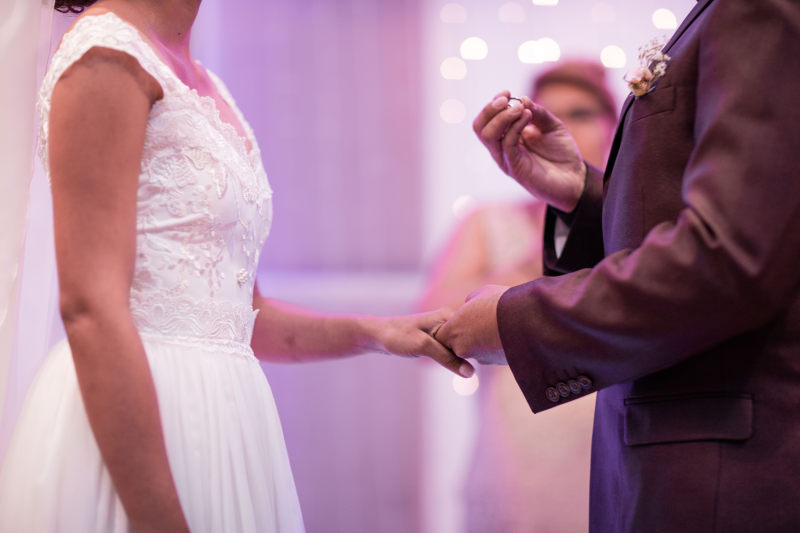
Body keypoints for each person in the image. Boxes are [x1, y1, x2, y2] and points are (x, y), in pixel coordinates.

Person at [0, 1, 472, 531]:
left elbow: (241, 317)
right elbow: (90, 306)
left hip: (229, 418)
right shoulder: (106, 57)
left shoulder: (203, 82)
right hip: (142, 417)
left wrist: (376, 331)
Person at [436, 1, 800, 531]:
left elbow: (729, 256)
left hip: (724, 463)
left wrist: (515, 322)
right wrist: (585, 195)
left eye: (584, 111)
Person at [418, 60, 616, 532]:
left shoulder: (634, 224)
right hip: (519, 450)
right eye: (551, 114)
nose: (566, 127)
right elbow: (431, 326)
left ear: (614, 126)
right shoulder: (488, 222)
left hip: (609, 443)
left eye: (583, 113)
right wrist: (547, 244)